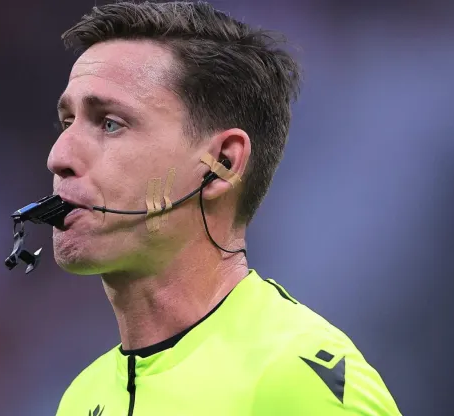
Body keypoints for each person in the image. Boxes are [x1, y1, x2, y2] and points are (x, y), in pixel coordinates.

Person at [48, 1, 401, 415]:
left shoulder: (292, 375)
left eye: (110, 123)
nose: (59, 156)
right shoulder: (83, 396)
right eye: (67, 122)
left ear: (221, 166)